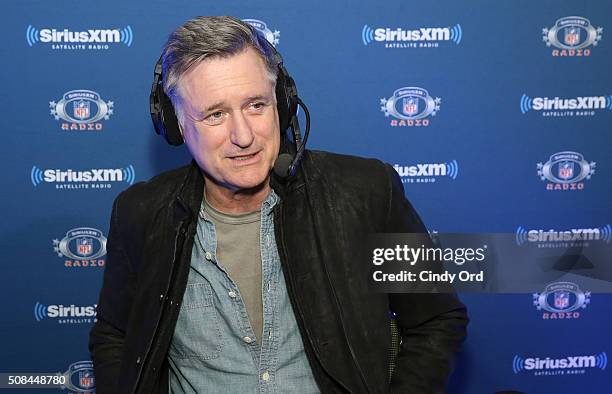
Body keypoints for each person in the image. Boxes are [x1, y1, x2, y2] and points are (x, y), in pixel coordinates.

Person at [89, 15, 468, 394]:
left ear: (282, 104)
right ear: (177, 126)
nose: (243, 135)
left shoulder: (366, 192)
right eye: (215, 114)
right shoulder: (140, 214)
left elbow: (436, 319)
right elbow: (115, 337)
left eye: (256, 105)